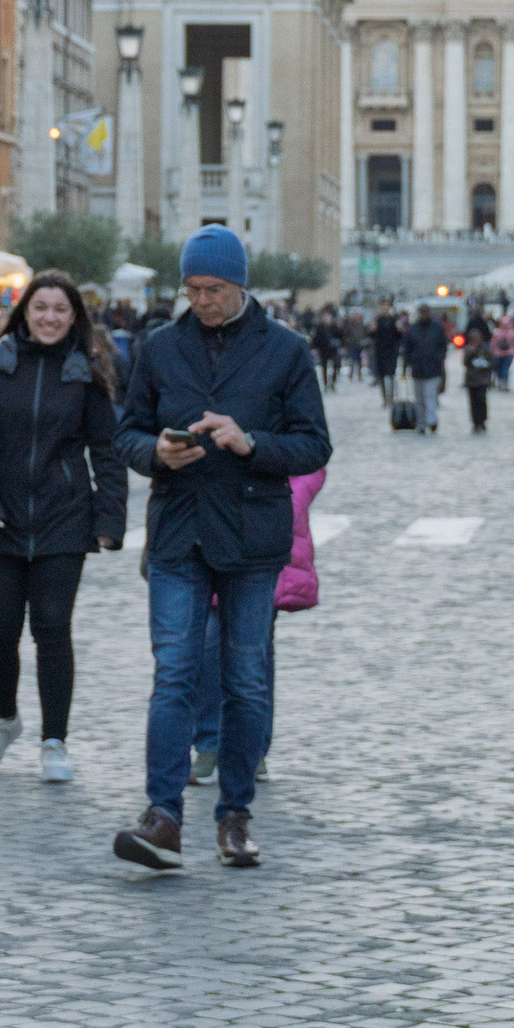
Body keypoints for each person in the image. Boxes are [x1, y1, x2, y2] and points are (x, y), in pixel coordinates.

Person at [111, 225, 331, 873]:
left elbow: (314, 445)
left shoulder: (286, 351)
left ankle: (235, 814)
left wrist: (250, 441)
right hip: (179, 530)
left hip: (251, 539)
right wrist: (155, 451)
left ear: (240, 285)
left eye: (213, 289)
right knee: (173, 674)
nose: (201, 300)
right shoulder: (160, 347)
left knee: (244, 678)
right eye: (193, 289)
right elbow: (127, 432)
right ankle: (164, 814)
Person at [0, 273, 127, 786]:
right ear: (25, 312)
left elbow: (107, 451)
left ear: (74, 316)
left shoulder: (87, 372)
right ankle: (4, 718)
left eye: (60, 309)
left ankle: (55, 739)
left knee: (53, 629)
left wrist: (109, 519)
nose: (50, 317)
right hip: (0, 523)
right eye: (41, 308)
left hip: (63, 520)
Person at [190, 466, 323, 789]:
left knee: (253, 651)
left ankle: (252, 746)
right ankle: (209, 743)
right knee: (208, 645)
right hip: (211, 525)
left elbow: (312, 456)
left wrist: (283, 506)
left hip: (267, 534)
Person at [402, 304, 449, 435]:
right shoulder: (413, 329)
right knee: (419, 399)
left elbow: (443, 346)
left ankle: (431, 420)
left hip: (433, 369)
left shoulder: (437, 328)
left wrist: (438, 358)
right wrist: (407, 364)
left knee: (430, 396)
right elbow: (407, 348)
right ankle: (421, 423)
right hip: (417, 369)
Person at [462, 323, 494, 434]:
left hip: (483, 379)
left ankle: (482, 420)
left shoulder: (485, 348)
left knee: (482, 400)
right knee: (473, 401)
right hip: (471, 379)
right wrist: (471, 353)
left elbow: (491, 361)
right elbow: (465, 363)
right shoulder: (468, 349)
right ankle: (475, 422)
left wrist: (485, 365)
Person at [370, 299, 403, 404]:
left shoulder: (394, 320)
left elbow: (399, 337)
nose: (384, 308)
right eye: (382, 306)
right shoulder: (377, 320)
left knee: (391, 374)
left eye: (386, 306)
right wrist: (372, 330)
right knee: (381, 375)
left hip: (391, 351)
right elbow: (372, 336)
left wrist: (399, 330)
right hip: (380, 351)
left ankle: (391, 397)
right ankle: (384, 397)